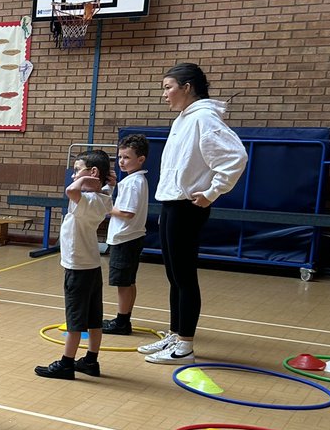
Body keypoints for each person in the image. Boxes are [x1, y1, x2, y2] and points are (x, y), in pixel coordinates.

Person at [138, 63, 247, 365]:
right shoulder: (183, 119)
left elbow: (235, 157)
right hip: (173, 204)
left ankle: (185, 344)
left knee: (185, 276)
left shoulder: (205, 117)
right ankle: (176, 334)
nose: (164, 94)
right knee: (174, 276)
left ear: (187, 87)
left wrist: (212, 192)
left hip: (189, 206)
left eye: (168, 87)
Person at [35, 150, 112, 381]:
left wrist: (83, 180)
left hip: (78, 268)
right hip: (92, 266)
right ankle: (91, 360)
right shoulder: (104, 197)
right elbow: (104, 188)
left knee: (76, 319)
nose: (73, 176)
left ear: (93, 173)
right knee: (94, 317)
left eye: (77, 170)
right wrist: (104, 182)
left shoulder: (86, 199)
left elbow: (71, 190)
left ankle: (67, 363)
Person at [102, 135, 149, 335]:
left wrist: (105, 207)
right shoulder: (134, 180)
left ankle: (122, 322)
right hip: (130, 237)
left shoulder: (132, 183)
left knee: (123, 283)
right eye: (120, 157)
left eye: (127, 157)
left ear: (140, 159)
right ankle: (124, 318)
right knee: (128, 281)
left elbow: (128, 213)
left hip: (125, 238)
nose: (121, 161)